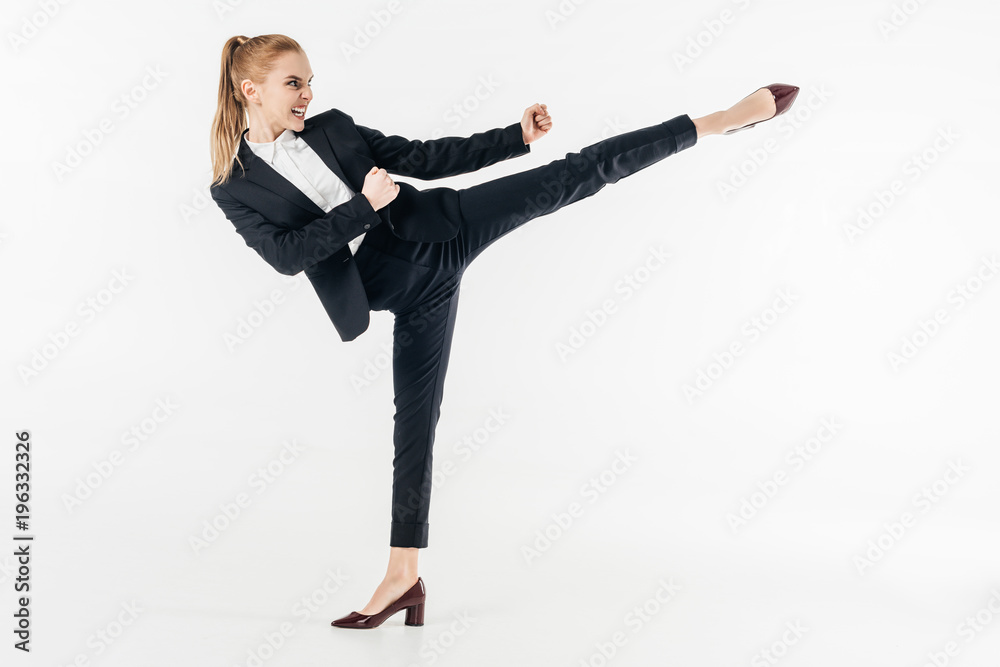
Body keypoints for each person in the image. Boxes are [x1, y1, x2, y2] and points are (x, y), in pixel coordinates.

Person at [209, 33, 799, 630]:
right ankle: (403, 577)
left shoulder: (333, 127)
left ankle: (717, 120)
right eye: (294, 83)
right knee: (413, 429)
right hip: (405, 291)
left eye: (309, 82)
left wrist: (515, 138)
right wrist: (363, 207)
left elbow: (426, 156)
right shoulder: (232, 188)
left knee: (578, 173)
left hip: (447, 227)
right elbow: (288, 255)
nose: (308, 94)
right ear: (249, 89)